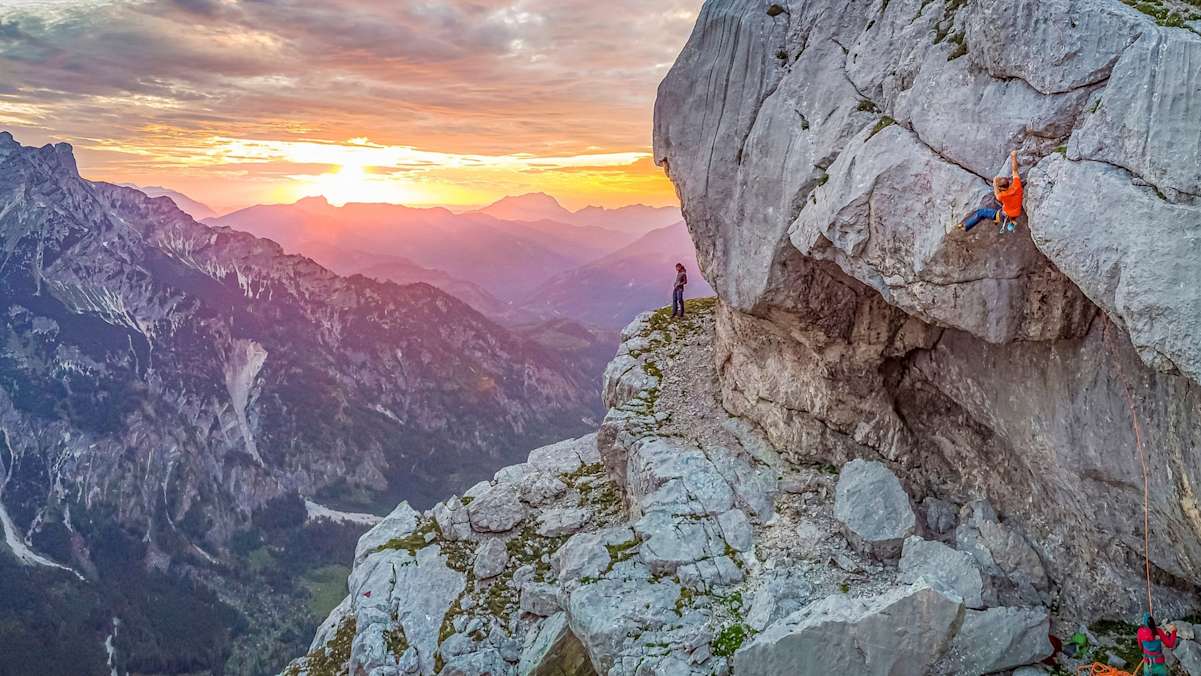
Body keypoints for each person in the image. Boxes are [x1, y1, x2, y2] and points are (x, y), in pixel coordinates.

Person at [955, 150, 1023, 233]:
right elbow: (1015, 171)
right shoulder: (1017, 186)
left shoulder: (1002, 196)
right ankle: (1010, 222)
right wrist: (1013, 157)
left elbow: (996, 193)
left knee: (981, 212)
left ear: (1001, 188)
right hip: (1015, 213)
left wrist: (995, 182)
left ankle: (965, 226)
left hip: (1004, 215)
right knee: (993, 205)